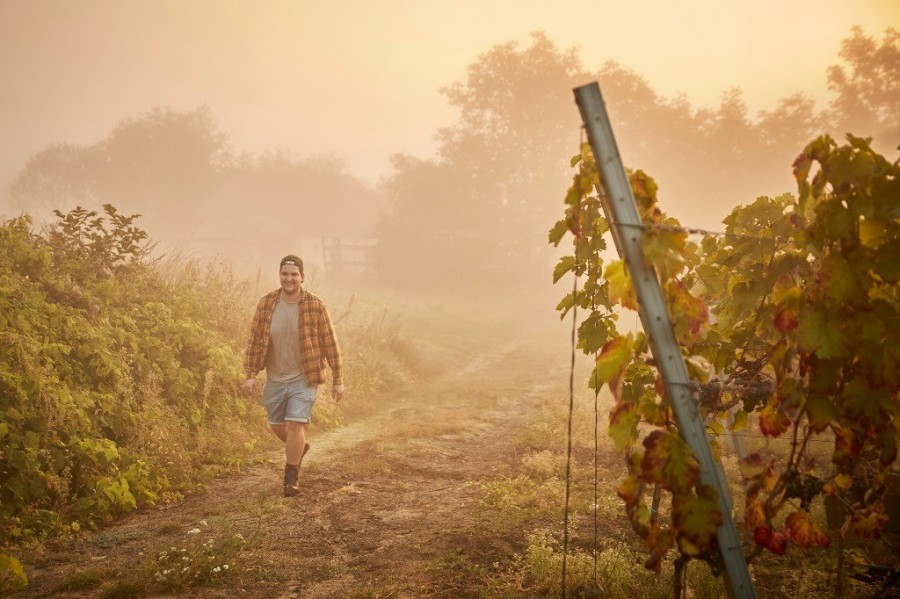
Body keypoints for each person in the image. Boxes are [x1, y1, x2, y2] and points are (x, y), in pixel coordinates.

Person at [243, 254, 344, 497]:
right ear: (280, 276)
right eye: (285, 274)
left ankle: (291, 477)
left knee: (296, 423)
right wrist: (250, 373)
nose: (289, 279)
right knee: (276, 424)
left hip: (305, 377)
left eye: (294, 274)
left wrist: (338, 379)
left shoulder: (315, 305)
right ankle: (299, 448)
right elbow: (255, 341)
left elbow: (330, 343)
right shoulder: (267, 304)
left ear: (302, 277)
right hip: (276, 377)